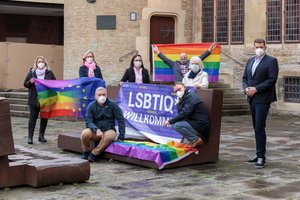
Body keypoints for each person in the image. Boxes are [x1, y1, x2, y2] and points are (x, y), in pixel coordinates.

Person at [242, 38, 279, 169]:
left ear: (265, 48)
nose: (259, 49)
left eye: (261, 47)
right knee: (256, 127)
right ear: (253, 48)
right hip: (251, 98)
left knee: (259, 126)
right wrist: (246, 88)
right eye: (257, 47)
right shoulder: (250, 61)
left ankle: (261, 157)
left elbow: (271, 80)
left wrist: (256, 89)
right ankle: (257, 154)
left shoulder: (271, 61)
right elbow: (245, 78)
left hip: (263, 99)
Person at [80, 87, 125, 162]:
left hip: (108, 130)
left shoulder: (113, 105)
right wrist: (96, 129)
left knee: (111, 136)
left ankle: (94, 153)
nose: (102, 96)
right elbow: (88, 121)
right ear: (95, 96)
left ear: (107, 95)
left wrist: (121, 135)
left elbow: (120, 119)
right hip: (95, 131)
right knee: (84, 133)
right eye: (99, 95)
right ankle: (86, 152)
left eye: (104, 94)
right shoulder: (91, 106)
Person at [162, 82, 209, 148]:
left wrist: (169, 121)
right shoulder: (183, 98)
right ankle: (191, 139)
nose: (178, 92)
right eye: (176, 91)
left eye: (179, 89)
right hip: (192, 123)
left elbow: (184, 113)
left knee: (177, 125)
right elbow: (181, 114)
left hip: (200, 125)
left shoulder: (191, 96)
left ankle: (195, 139)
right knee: (173, 124)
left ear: (184, 88)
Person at [23, 56, 56, 144]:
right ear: (36, 63)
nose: (40, 63)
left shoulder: (49, 72)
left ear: (45, 63)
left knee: (44, 118)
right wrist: (30, 82)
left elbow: (54, 83)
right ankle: (30, 137)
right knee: (32, 118)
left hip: (45, 99)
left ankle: (41, 136)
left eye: (42, 61)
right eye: (39, 62)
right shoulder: (32, 72)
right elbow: (25, 84)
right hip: (34, 99)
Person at [152, 42, 218, 82]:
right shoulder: (174, 64)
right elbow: (165, 59)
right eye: (181, 57)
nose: (183, 58)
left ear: (187, 58)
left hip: (190, 84)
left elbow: (201, 57)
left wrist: (210, 49)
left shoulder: (192, 63)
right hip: (179, 85)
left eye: (184, 57)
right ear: (179, 58)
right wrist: (157, 51)